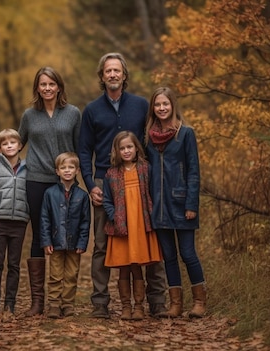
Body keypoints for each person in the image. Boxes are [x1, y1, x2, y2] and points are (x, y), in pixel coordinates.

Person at [78, 52, 168, 319]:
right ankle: (100, 303)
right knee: (102, 244)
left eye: (117, 70)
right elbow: (84, 150)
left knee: (151, 239)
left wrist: (156, 180)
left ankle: (158, 302)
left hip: (140, 181)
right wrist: (90, 184)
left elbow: (153, 141)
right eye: (108, 71)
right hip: (104, 182)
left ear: (125, 75)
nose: (113, 75)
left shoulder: (141, 105)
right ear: (102, 76)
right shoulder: (92, 110)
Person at [0, 67, 81, 317]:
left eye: (51, 84)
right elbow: (15, 144)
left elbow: (80, 148)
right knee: (40, 235)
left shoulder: (73, 114)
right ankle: (38, 302)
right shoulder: (30, 115)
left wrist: (86, 178)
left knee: (66, 235)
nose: (47, 88)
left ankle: (64, 300)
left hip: (65, 181)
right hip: (36, 180)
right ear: (37, 88)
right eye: (43, 84)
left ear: (59, 86)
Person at [145, 87, 207, 318]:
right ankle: (176, 305)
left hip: (182, 204)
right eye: (157, 104)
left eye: (165, 104)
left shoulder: (186, 134)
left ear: (173, 106)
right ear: (153, 108)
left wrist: (192, 204)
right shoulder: (149, 137)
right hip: (159, 206)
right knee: (168, 256)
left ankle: (199, 302)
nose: (161, 108)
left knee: (188, 253)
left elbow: (193, 171)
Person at [102, 131, 162, 320]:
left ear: (137, 148)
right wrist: (115, 218)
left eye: (130, 147)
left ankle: (139, 307)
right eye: (122, 148)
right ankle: (126, 307)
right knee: (124, 267)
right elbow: (107, 200)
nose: (126, 151)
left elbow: (154, 194)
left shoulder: (146, 169)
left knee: (137, 266)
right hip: (121, 226)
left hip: (140, 225)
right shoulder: (111, 174)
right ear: (116, 151)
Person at [0, 128, 30, 319]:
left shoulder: (28, 168)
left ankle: (10, 304)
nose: (9, 146)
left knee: (14, 265)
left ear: (19, 145)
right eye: (4, 143)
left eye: (12, 142)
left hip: (19, 223)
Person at [40, 152, 91, 319]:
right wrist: (46, 240)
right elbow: (45, 219)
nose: (67, 170)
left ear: (77, 170)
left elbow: (85, 222)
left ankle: (68, 304)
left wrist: (82, 243)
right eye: (63, 167)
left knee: (71, 274)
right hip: (55, 242)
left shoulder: (82, 196)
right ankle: (54, 304)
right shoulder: (50, 193)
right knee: (55, 274)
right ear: (57, 171)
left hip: (74, 243)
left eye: (71, 167)